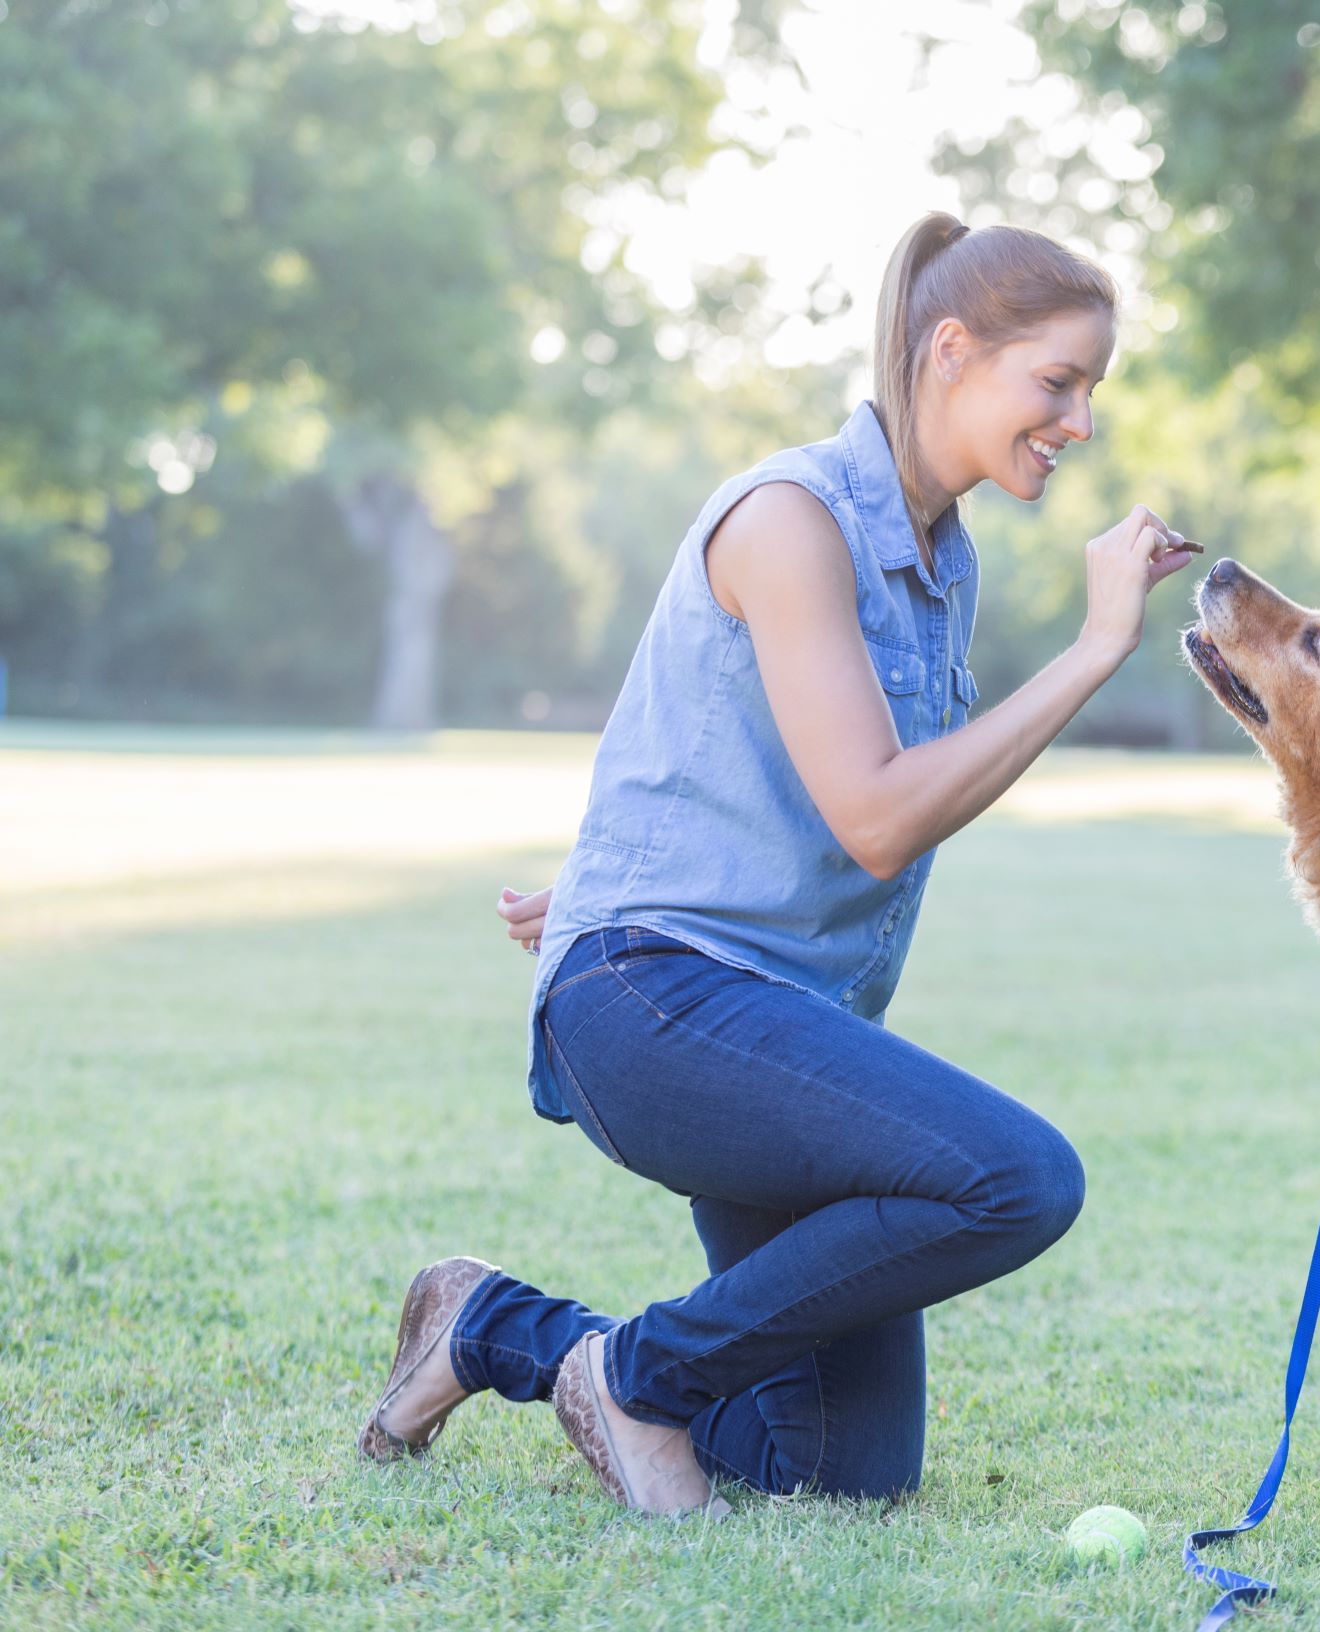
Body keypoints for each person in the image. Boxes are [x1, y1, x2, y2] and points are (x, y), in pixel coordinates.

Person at [357, 212, 1199, 1516]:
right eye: (1059, 381)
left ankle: (491, 1329)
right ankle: (635, 1382)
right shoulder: (789, 517)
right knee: (1019, 1180)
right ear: (952, 350)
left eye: (1089, 391)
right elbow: (872, 815)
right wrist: (1093, 652)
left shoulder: (938, 562)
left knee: (837, 1473)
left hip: (755, 1014)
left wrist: (613, 877)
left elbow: (743, 757)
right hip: (656, 1006)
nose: (1078, 420)